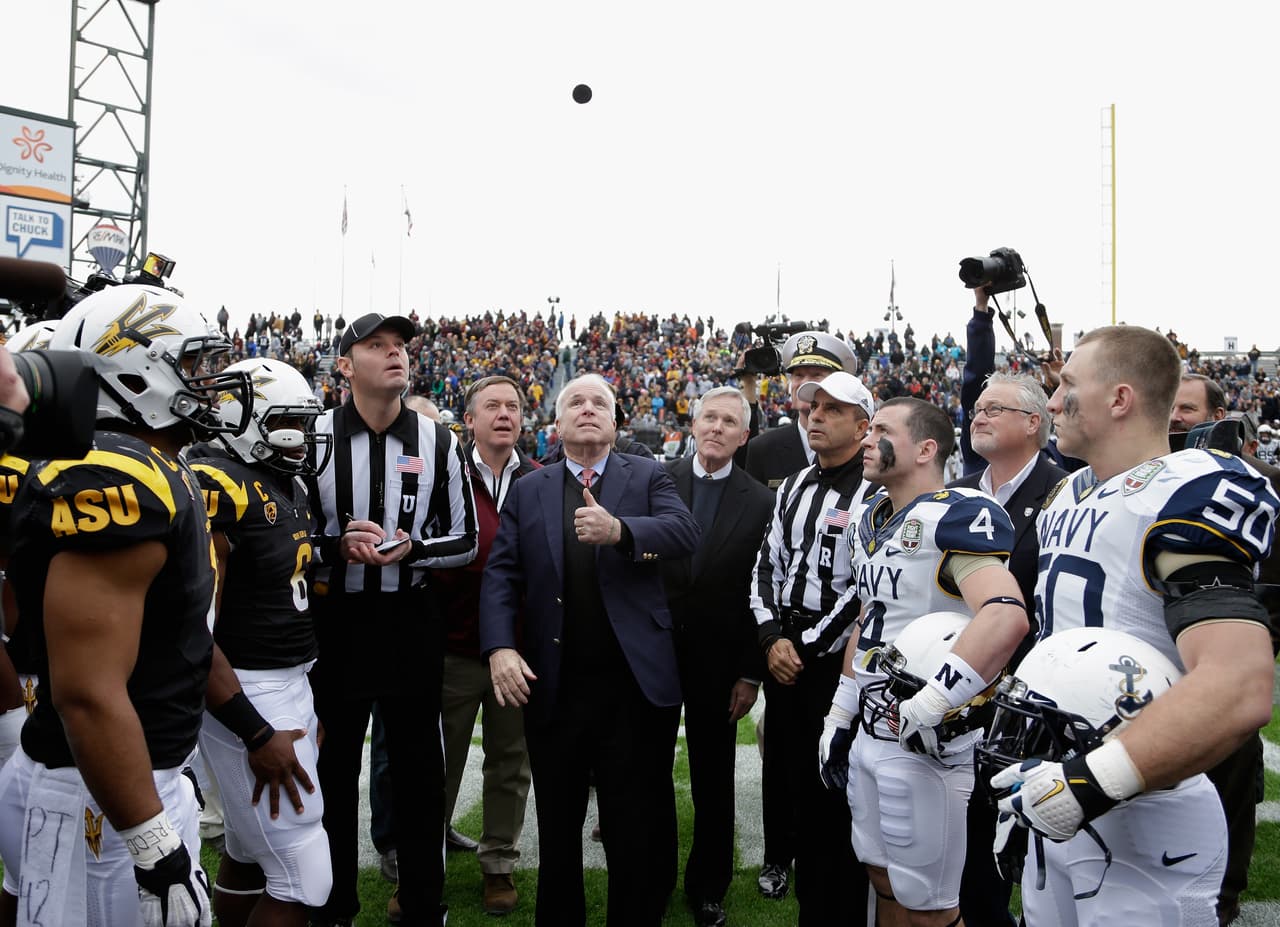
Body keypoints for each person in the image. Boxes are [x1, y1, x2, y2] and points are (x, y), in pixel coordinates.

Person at [991, 325, 1278, 926]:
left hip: (1150, 792)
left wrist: (1093, 780)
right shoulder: (1067, 493)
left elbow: (1239, 683)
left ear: (1119, 399)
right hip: (1065, 779)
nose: (1050, 401)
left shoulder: (1181, 492)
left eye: (1067, 384)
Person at [0, 282, 254, 926]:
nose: (213, 383)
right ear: (134, 371)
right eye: (194, 366)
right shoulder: (116, 472)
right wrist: (151, 841)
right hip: (100, 797)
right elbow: (87, 692)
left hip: (123, 778)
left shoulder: (154, 463)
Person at [479, 372, 698, 927]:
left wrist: (621, 531)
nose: (587, 409)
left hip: (633, 687)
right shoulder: (529, 488)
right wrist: (501, 647)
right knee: (558, 826)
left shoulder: (650, 474)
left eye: (600, 401)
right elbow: (502, 576)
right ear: (557, 423)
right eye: (574, 401)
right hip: (555, 685)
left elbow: (683, 533)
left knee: (632, 826)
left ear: (616, 420)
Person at [814, 396, 1027, 927]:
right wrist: (841, 713)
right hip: (870, 724)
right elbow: (869, 618)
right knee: (883, 879)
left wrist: (933, 701)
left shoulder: (959, 513)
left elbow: (1005, 616)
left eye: (881, 429)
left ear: (926, 448)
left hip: (927, 739)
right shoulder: (870, 516)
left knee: (930, 902)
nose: (866, 438)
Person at [307, 313, 477, 927]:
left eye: (400, 346)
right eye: (376, 346)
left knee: (417, 772)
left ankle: (424, 906)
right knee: (332, 768)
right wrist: (332, 545)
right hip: (337, 619)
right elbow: (289, 534)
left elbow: (467, 539)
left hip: (410, 617)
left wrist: (416, 550)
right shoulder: (314, 437)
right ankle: (333, 906)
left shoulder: (439, 441)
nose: (394, 354)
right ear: (346, 366)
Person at [187, 358, 334, 927]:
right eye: (287, 423)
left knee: (250, 853)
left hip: (285, 678)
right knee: (304, 869)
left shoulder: (280, 479)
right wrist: (255, 728)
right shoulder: (215, 483)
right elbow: (194, 632)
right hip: (245, 684)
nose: (300, 439)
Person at [748, 370, 875, 925]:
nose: (814, 416)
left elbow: (866, 587)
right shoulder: (796, 484)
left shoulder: (877, 491)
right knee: (787, 773)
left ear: (863, 425)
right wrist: (772, 635)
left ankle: (835, 904)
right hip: (785, 652)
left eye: (830, 409)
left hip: (832, 664)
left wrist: (803, 645)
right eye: (810, 408)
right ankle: (797, 882)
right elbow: (766, 562)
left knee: (833, 793)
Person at [945, 370, 1066, 925]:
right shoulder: (960, 492)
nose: (979, 414)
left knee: (1030, 851)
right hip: (960, 688)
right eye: (978, 408)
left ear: (1034, 423)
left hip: (1031, 695)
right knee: (966, 841)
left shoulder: (1068, 491)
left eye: (995, 408)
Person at [661, 387, 774, 927]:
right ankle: (652, 877)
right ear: (694, 421)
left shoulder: (760, 499)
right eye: (710, 417)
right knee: (647, 773)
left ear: (743, 435)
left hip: (720, 662)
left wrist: (750, 673)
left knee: (714, 778)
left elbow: (761, 589)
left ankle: (708, 886)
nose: (717, 428)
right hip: (654, 655)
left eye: (730, 421)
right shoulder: (657, 481)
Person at [432, 376, 537, 916]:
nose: (503, 414)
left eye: (512, 406)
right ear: (468, 420)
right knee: (437, 763)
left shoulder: (542, 480)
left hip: (516, 653)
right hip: (451, 646)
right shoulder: (442, 474)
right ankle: (424, 866)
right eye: (491, 406)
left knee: (509, 762)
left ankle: (499, 863)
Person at [745, 331, 858, 489]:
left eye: (816, 375)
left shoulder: (862, 450)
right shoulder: (762, 449)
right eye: (798, 375)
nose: (804, 383)